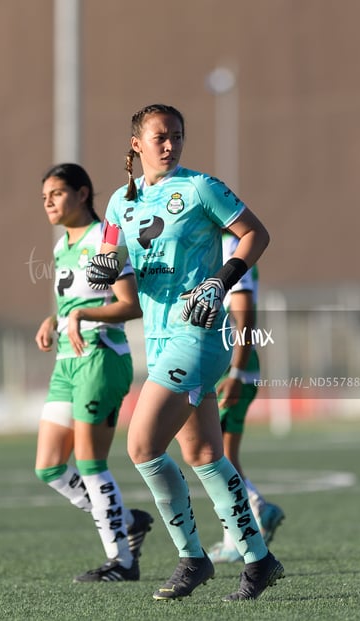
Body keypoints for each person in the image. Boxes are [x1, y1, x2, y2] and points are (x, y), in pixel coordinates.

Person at [86, 104, 285, 601]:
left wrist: (220, 282)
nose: (170, 144)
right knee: (203, 454)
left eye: (177, 135)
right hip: (156, 340)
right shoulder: (119, 203)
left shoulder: (200, 188)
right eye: (160, 136)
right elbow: (108, 257)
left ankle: (192, 557)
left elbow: (255, 234)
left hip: (199, 334)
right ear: (137, 144)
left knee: (141, 445)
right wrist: (102, 271)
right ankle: (260, 561)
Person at [35, 163, 153, 583]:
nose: (48, 201)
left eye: (57, 193)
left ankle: (122, 562)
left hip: (100, 358)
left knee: (90, 463)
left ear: (82, 194)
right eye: (45, 196)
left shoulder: (106, 241)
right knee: (49, 466)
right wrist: (54, 319)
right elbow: (70, 303)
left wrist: (83, 314)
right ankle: (125, 518)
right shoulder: (61, 247)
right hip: (66, 363)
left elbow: (131, 305)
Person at [208, 231, 285, 564]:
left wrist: (237, 373)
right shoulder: (212, 244)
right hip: (225, 366)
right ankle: (257, 510)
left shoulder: (230, 246)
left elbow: (243, 313)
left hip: (232, 368)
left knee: (215, 457)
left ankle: (236, 536)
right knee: (218, 455)